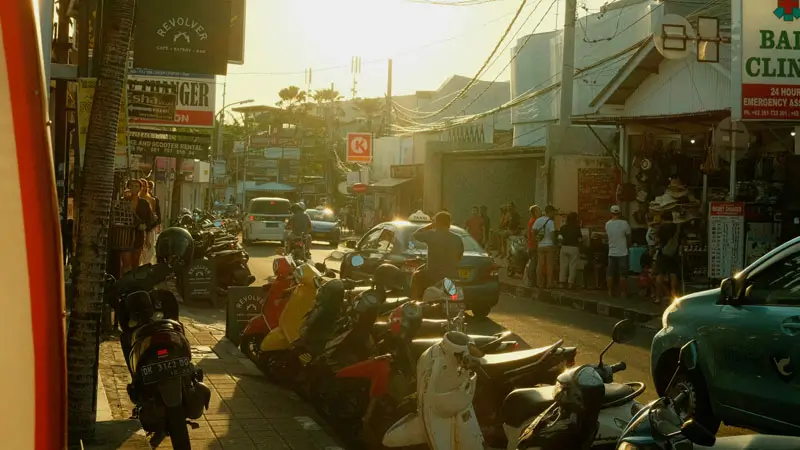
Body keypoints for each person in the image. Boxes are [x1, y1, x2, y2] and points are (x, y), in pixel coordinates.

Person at [410, 211, 464, 299]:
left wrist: (430, 226)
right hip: (452, 274)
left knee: (416, 276)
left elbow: (416, 234)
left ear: (437, 222)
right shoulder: (458, 238)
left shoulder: (431, 235)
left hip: (433, 275)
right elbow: (459, 257)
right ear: (449, 223)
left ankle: (414, 304)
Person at [121, 179, 154, 274]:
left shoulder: (144, 203)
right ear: (128, 187)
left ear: (140, 188)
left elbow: (149, 220)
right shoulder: (123, 201)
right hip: (125, 235)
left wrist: (147, 238)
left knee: (135, 261)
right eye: (132, 186)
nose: (134, 188)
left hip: (138, 235)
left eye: (137, 186)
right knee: (126, 261)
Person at [654, 211, 681, 304]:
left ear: (662, 219)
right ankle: (673, 296)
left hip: (663, 253)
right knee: (673, 274)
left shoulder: (661, 228)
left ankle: (658, 297)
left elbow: (657, 240)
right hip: (674, 253)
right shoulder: (677, 227)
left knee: (660, 274)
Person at [605, 205, 632, 298]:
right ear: (620, 213)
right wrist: (628, 246)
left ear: (611, 213)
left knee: (610, 273)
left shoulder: (607, 224)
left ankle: (609, 292)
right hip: (623, 252)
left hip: (611, 252)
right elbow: (629, 237)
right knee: (623, 274)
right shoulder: (625, 223)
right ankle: (623, 293)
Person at [533, 205, 558, 288]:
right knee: (549, 265)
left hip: (540, 245)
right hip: (549, 245)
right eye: (553, 213)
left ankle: (539, 283)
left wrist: (536, 241)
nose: (554, 215)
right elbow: (552, 235)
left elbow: (533, 232)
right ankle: (549, 284)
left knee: (540, 265)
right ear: (550, 212)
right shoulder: (550, 222)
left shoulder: (538, 220)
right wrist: (555, 244)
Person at [559, 212, 583, 289]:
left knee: (563, 266)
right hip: (574, 248)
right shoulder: (577, 228)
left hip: (564, 247)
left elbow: (559, 238)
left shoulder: (563, 227)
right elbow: (580, 239)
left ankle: (562, 283)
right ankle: (570, 284)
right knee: (572, 266)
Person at [139, 179, 159, 266]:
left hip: (149, 229)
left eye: (145, 186)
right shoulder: (132, 200)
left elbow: (154, 217)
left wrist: (149, 230)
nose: (143, 188)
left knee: (149, 251)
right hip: (137, 229)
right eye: (141, 186)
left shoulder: (152, 200)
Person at [525, 205, 542, 287]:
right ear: (535, 212)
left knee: (533, 262)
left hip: (531, 244)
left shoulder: (532, 221)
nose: (540, 212)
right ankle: (532, 281)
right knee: (534, 263)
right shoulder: (534, 221)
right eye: (539, 210)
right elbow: (532, 234)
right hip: (533, 245)